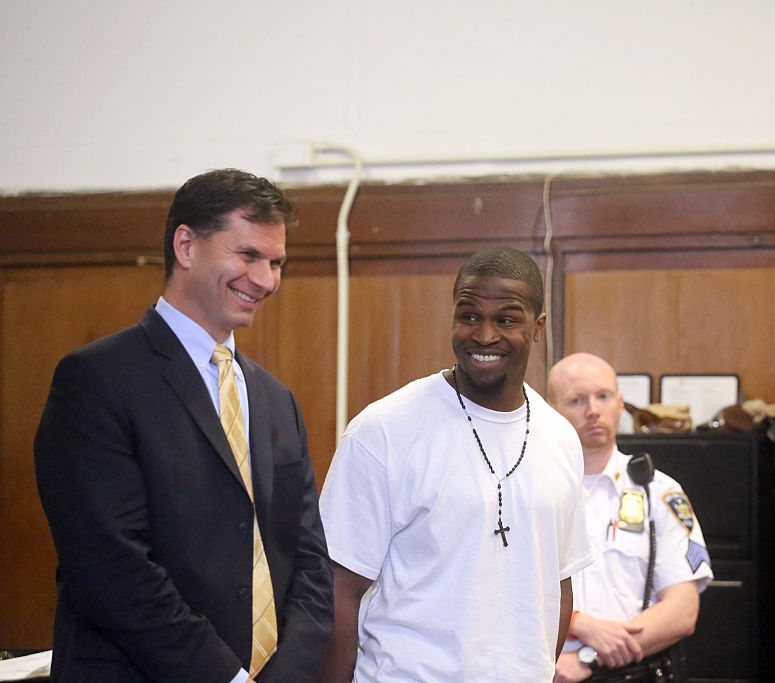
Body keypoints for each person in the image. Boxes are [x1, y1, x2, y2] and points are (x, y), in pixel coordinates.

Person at [34, 169, 335, 682]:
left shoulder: (275, 400)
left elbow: (308, 561)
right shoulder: (96, 380)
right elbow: (111, 570)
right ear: (186, 246)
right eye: (247, 255)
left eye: (276, 262)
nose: (265, 279)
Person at [318, 246, 594, 682]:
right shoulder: (383, 430)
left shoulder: (560, 437)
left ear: (538, 328)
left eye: (506, 319)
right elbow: (338, 590)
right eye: (469, 316)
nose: (484, 336)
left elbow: (558, 584)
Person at [547, 352, 714, 683]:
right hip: (549, 672)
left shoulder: (659, 492)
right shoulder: (530, 494)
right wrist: (578, 623)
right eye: (577, 400)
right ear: (552, 412)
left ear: (620, 404)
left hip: (635, 673)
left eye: (603, 396)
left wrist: (589, 657)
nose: (593, 410)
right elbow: (501, 595)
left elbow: (683, 611)